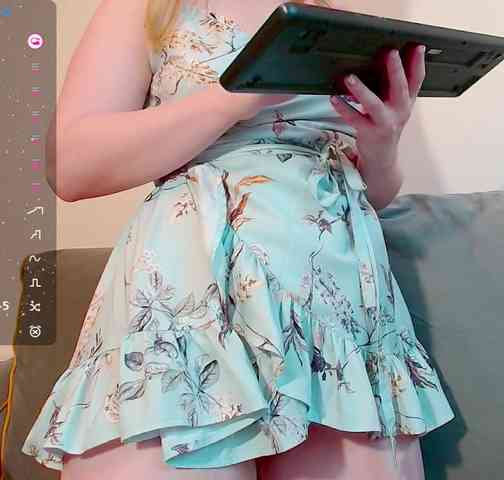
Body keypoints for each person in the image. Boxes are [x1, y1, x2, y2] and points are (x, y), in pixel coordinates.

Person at [21, 0, 455, 478]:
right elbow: (72, 167)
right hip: (190, 298)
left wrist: (382, 147)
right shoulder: (149, 6)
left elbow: (367, 193)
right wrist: (235, 96)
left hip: (338, 310)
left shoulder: (328, 16)